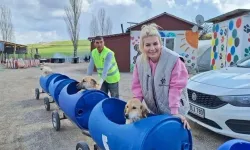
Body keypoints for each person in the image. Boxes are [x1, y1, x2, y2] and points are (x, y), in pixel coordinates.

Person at [131, 23, 191, 129]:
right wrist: (135, 106)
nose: (152, 48)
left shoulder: (174, 60)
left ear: (160, 43)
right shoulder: (140, 62)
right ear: (142, 46)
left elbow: (176, 88)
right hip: (155, 111)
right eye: (148, 45)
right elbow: (137, 86)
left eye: (155, 43)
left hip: (175, 110)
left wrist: (174, 112)